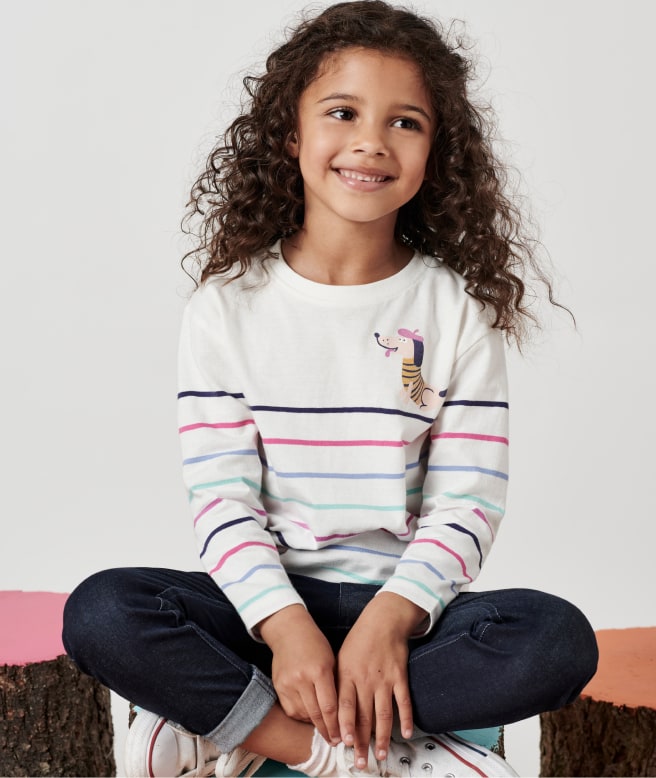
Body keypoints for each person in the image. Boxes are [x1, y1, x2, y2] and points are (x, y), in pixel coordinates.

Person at [62, 2, 598, 776]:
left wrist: (389, 621)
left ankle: (234, 723)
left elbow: (466, 503)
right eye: (343, 112)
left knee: (555, 641)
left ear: (437, 151)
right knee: (103, 612)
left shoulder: (455, 311)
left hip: (408, 618)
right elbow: (223, 500)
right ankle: (334, 752)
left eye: (405, 122)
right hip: (266, 614)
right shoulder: (227, 307)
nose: (372, 141)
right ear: (291, 133)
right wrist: (285, 628)